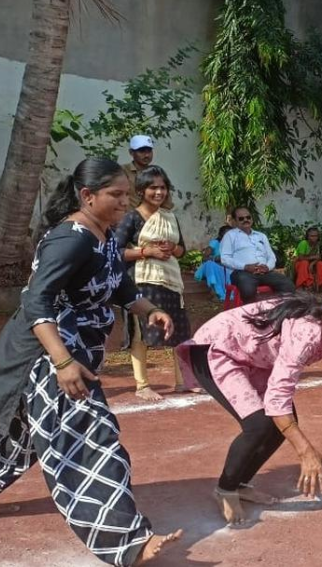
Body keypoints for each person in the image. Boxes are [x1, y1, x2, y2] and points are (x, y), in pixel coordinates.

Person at [0, 158, 182, 564]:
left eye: (125, 195)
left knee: (13, 443)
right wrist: (63, 363)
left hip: (69, 353)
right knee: (90, 441)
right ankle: (127, 542)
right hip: (48, 357)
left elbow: (117, 286)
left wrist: (148, 308)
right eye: (115, 195)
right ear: (87, 196)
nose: (124, 202)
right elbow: (35, 304)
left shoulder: (106, 236)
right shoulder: (71, 239)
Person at [175, 288, 322, 526]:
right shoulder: (307, 334)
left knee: (281, 425)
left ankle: (240, 484)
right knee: (259, 425)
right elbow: (278, 400)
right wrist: (305, 451)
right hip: (218, 348)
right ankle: (225, 489)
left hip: (254, 356)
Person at [116, 166, 197, 401]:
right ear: (142, 190)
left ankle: (182, 381)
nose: (159, 192)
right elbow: (117, 251)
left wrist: (172, 249)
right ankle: (142, 385)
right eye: (153, 187)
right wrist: (145, 251)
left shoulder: (170, 217)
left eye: (162, 187)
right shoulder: (131, 217)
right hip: (142, 281)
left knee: (179, 332)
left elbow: (181, 250)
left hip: (171, 280)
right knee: (142, 332)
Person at [220, 207, 295, 303]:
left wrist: (267, 267)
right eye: (241, 218)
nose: (246, 220)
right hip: (242, 273)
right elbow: (225, 258)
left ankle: (278, 312)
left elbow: (271, 256)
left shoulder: (261, 236)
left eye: (248, 217)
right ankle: (252, 314)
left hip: (264, 272)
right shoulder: (230, 236)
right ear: (234, 221)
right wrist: (245, 267)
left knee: (288, 285)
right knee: (248, 289)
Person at [195, 225, 233, 301]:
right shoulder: (215, 243)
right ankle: (214, 292)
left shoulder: (234, 244)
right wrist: (216, 258)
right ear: (221, 235)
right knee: (210, 265)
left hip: (227, 268)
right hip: (213, 267)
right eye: (227, 234)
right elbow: (205, 258)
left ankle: (221, 293)